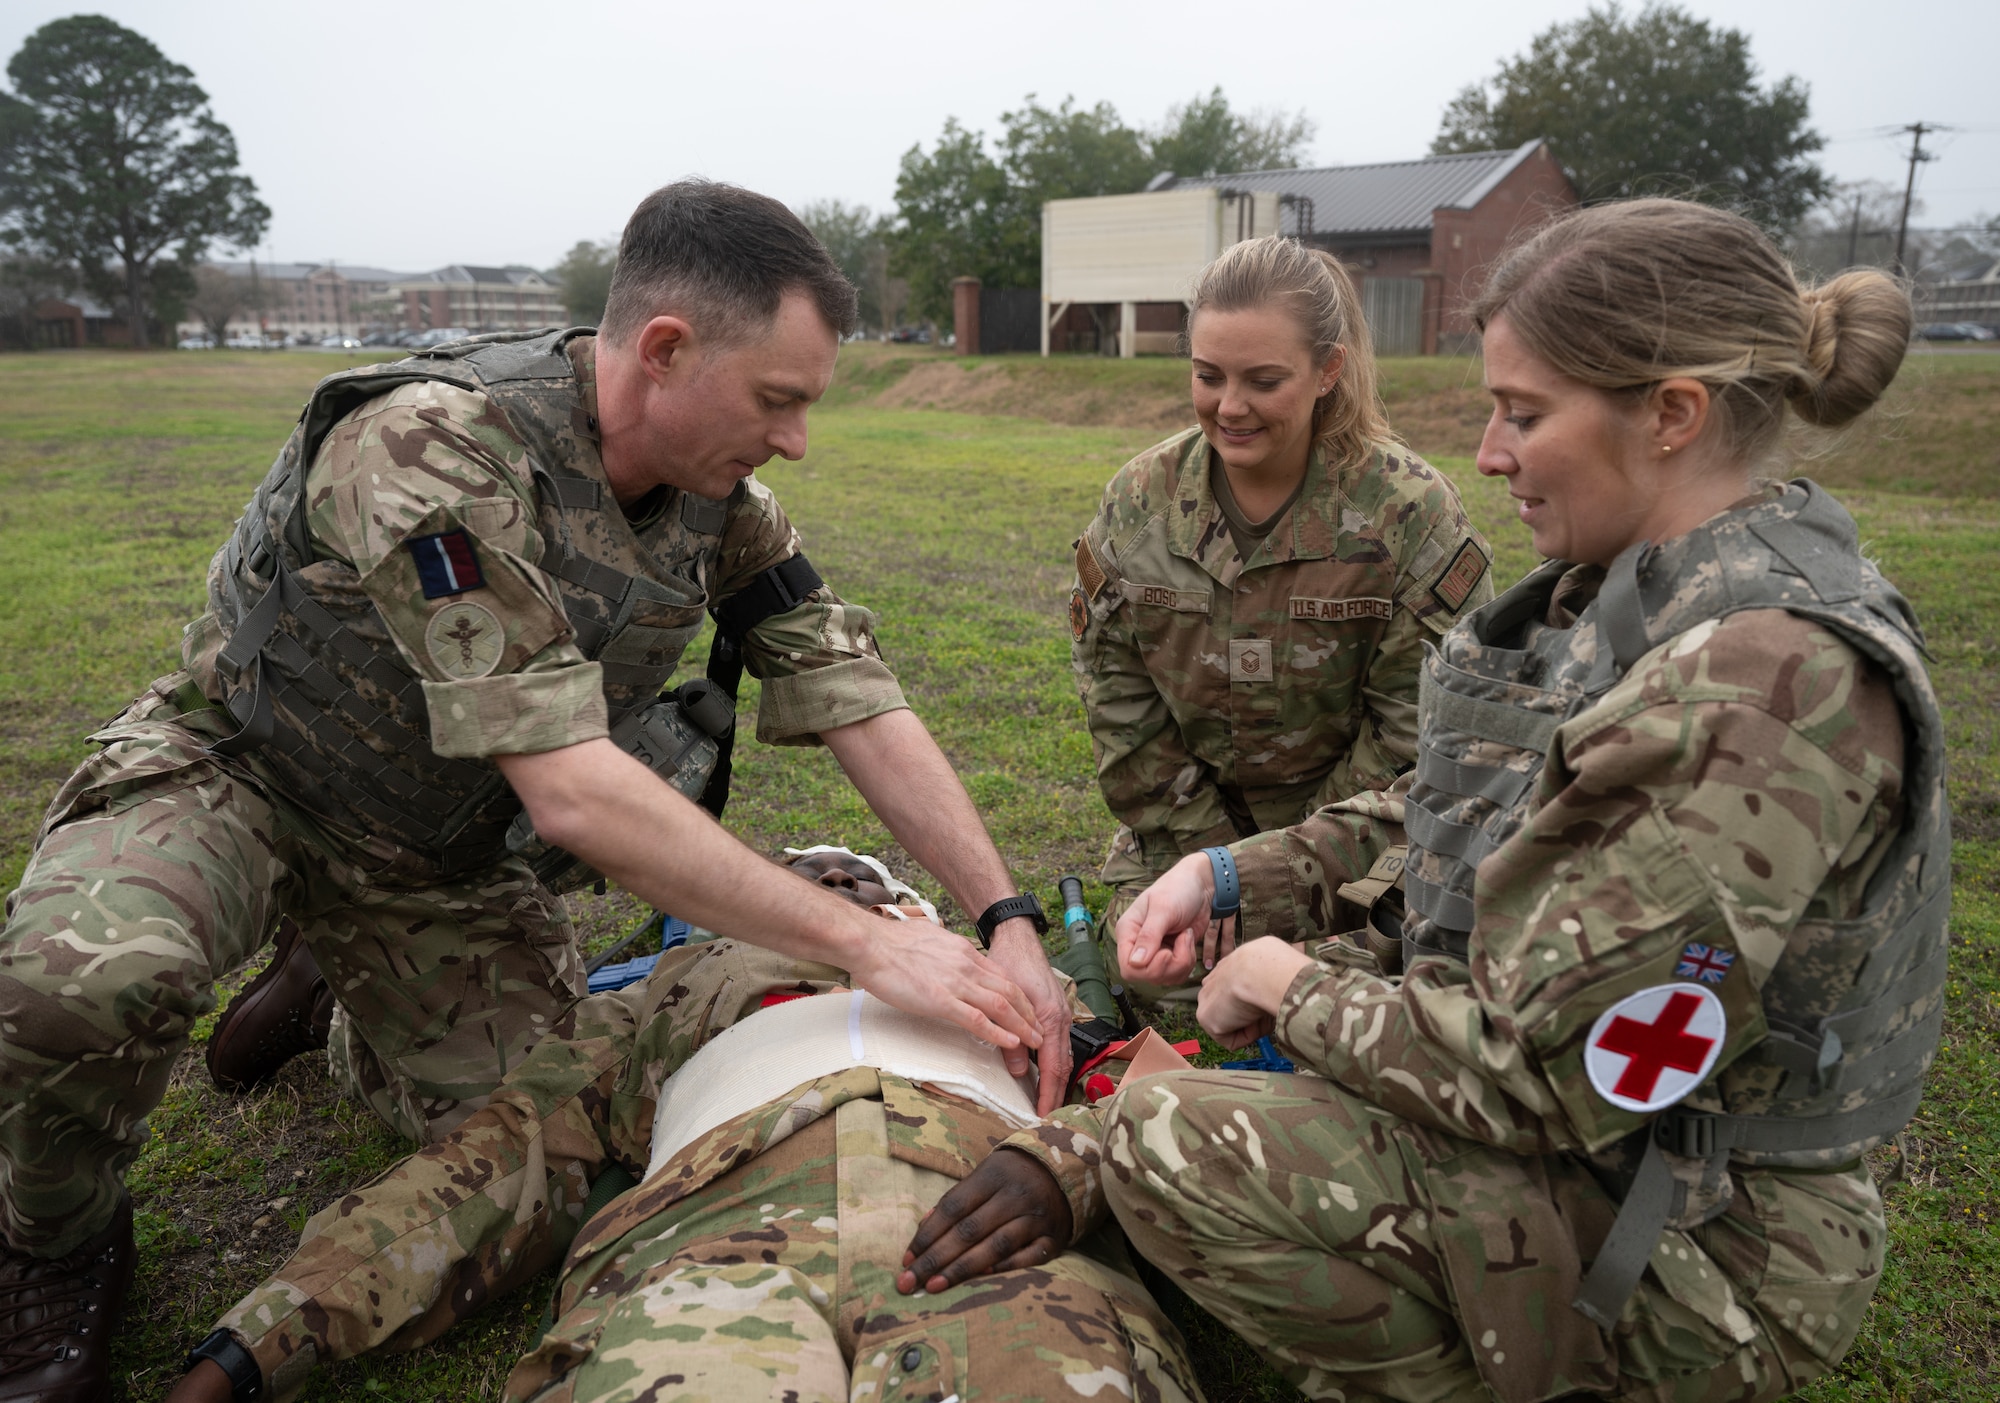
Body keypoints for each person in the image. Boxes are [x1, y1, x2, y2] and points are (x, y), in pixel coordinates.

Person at [0, 181, 1070, 1400]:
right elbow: (571, 795)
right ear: (664, 350)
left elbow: (855, 692)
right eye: (777, 399)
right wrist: (866, 945)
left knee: (527, 1130)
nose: (794, 439)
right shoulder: (431, 444)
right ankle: (52, 1240)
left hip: (432, 857)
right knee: (79, 983)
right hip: (246, 774)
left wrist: (1006, 917)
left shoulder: (721, 511)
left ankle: (329, 990)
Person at [1106, 199, 1948, 1401]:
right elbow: (1466, 799)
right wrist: (1234, 874)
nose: (1489, 454)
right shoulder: (1636, 597)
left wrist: (1282, 981)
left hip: (1705, 1231)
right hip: (1622, 1148)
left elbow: (1533, 1070)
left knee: (1168, 1137)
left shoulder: (1761, 684)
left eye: (1523, 413)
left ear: (1669, 414)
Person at [165, 864, 1202, 1403]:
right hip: (711, 1248)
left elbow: (1183, 1119)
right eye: (805, 885)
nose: (845, 895)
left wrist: (1064, 1159)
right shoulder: (677, 990)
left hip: (1014, 1245)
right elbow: (493, 1164)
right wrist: (248, 1346)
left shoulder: (1034, 989)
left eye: (868, 886)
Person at [1069, 235, 1493, 998]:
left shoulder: (1406, 513)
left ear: (1327, 370)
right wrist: (1209, 862)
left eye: (1264, 380)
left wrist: (1272, 878)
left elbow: (1418, 734)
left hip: (1356, 845)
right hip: (1183, 829)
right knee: (1152, 970)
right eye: (1208, 376)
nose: (1229, 406)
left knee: (1336, 985)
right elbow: (1119, 700)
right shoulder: (1141, 501)